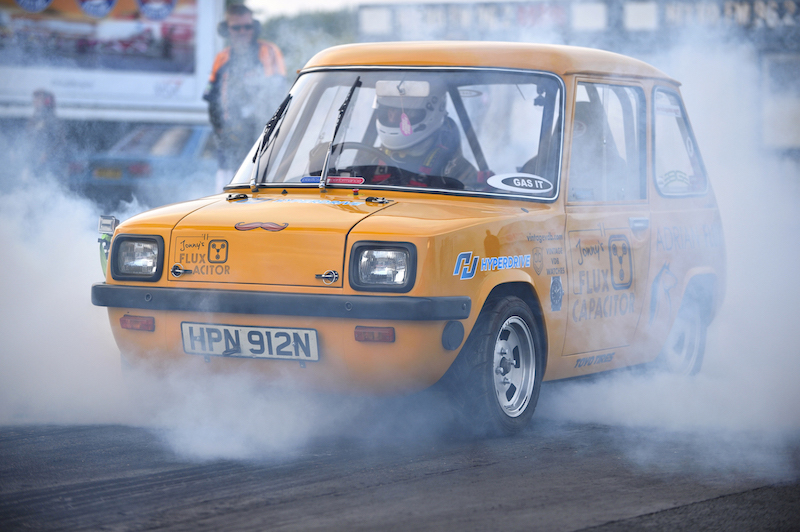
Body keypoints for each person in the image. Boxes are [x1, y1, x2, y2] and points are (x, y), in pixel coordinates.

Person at [204, 4, 286, 191]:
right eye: (237, 27)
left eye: (247, 27)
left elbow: (277, 91)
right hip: (229, 139)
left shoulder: (268, 51)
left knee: (260, 194)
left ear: (254, 28)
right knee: (224, 193)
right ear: (228, 30)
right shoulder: (222, 58)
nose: (243, 32)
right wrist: (220, 131)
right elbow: (211, 98)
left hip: (261, 138)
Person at [361, 82, 476, 189]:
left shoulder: (455, 169)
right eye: (389, 111)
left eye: (405, 112)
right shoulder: (369, 160)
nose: (393, 119)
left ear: (432, 113)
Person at [24, 89, 67, 179]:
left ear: (47, 101)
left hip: (49, 162)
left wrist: (47, 154)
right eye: (35, 99)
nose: (35, 101)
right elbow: (29, 138)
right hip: (35, 160)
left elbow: (59, 140)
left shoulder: (51, 118)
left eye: (39, 99)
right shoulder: (35, 117)